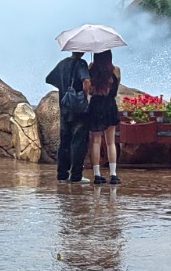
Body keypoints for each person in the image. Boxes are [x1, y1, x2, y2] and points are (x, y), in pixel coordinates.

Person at [46, 49, 90, 183]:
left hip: (65, 108)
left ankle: (62, 175)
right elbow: (86, 82)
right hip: (79, 110)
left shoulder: (62, 63)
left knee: (64, 141)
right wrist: (86, 97)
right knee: (79, 142)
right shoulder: (81, 63)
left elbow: (49, 79)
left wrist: (64, 87)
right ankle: (76, 176)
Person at [85, 48, 121, 185]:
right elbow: (115, 90)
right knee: (111, 142)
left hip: (95, 105)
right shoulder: (116, 70)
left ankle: (97, 175)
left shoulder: (91, 70)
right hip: (110, 105)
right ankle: (113, 174)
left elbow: (89, 90)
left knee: (96, 141)